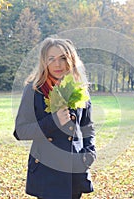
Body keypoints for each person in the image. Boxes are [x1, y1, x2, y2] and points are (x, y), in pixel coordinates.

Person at [13, 37, 96, 199]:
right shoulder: (34, 89)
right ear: (44, 61)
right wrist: (54, 121)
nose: (57, 64)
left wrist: (89, 153)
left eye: (63, 58)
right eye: (51, 59)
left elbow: (87, 127)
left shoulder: (79, 89)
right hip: (47, 171)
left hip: (75, 169)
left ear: (71, 60)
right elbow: (20, 131)